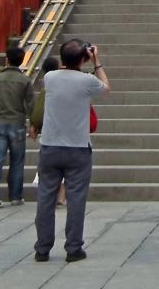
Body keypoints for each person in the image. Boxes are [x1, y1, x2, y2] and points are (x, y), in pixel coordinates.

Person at [34, 39, 110, 262]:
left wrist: (77, 56)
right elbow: (106, 86)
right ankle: (73, 247)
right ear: (83, 59)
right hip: (77, 148)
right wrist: (96, 62)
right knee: (76, 199)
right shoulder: (87, 81)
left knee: (45, 198)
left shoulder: (50, 78)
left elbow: (63, 68)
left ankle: (42, 248)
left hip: (50, 146)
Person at [0, 44, 34, 208]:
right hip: (17, 123)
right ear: (21, 61)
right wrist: (33, 124)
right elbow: (31, 105)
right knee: (17, 161)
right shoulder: (25, 80)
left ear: (7, 59)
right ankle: (15, 196)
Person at [29, 55, 65, 206]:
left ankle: (52, 194)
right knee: (66, 166)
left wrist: (35, 125)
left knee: (50, 166)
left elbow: (39, 113)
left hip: (51, 134)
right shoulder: (67, 86)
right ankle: (62, 196)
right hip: (70, 133)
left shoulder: (47, 89)